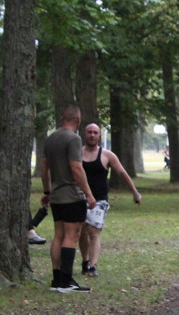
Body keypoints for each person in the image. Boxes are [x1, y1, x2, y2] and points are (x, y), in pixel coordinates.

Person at [41, 104, 96, 292]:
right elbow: (76, 167)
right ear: (78, 120)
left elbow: (44, 168)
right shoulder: (73, 139)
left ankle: (57, 279)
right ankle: (66, 281)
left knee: (59, 235)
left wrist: (47, 192)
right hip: (72, 195)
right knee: (72, 236)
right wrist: (88, 193)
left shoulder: (50, 139)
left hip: (56, 195)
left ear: (62, 118)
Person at [78, 123, 142, 277]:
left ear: (100, 136)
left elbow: (123, 173)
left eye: (95, 133)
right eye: (89, 132)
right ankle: (85, 261)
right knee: (82, 232)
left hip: (99, 200)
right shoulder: (77, 154)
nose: (92, 135)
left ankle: (93, 266)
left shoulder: (107, 155)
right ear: (84, 134)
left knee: (94, 232)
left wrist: (135, 192)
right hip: (79, 198)